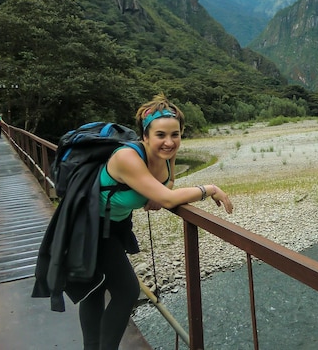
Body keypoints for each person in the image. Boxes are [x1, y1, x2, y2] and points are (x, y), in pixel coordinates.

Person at [78, 94, 233, 350]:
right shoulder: (127, 157)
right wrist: (209, 188)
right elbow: (170, 198)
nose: (169, 142)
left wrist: (154, 194)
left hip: (116, 224)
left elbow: (167, 185)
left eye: (176, 135)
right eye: (160, 135)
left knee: (97, 286)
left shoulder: (166, 155)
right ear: (145, 136)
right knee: (126, 291)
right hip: (90, 224)